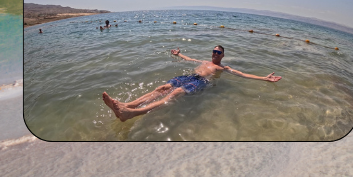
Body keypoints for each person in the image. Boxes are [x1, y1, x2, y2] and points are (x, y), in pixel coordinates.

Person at [102, 46, 281, 122]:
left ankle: (132, 114)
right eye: (214, 51)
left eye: (218, 52)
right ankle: (126, 106)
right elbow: (189, 58)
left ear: (223, 55)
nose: (215, 54)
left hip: (200, 82)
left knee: (174, 94)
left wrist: (264, 78)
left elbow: (242, 74)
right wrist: (178, 54)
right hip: (188, 76)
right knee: (162, 88)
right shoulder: (203, 61)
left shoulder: (223, 67)